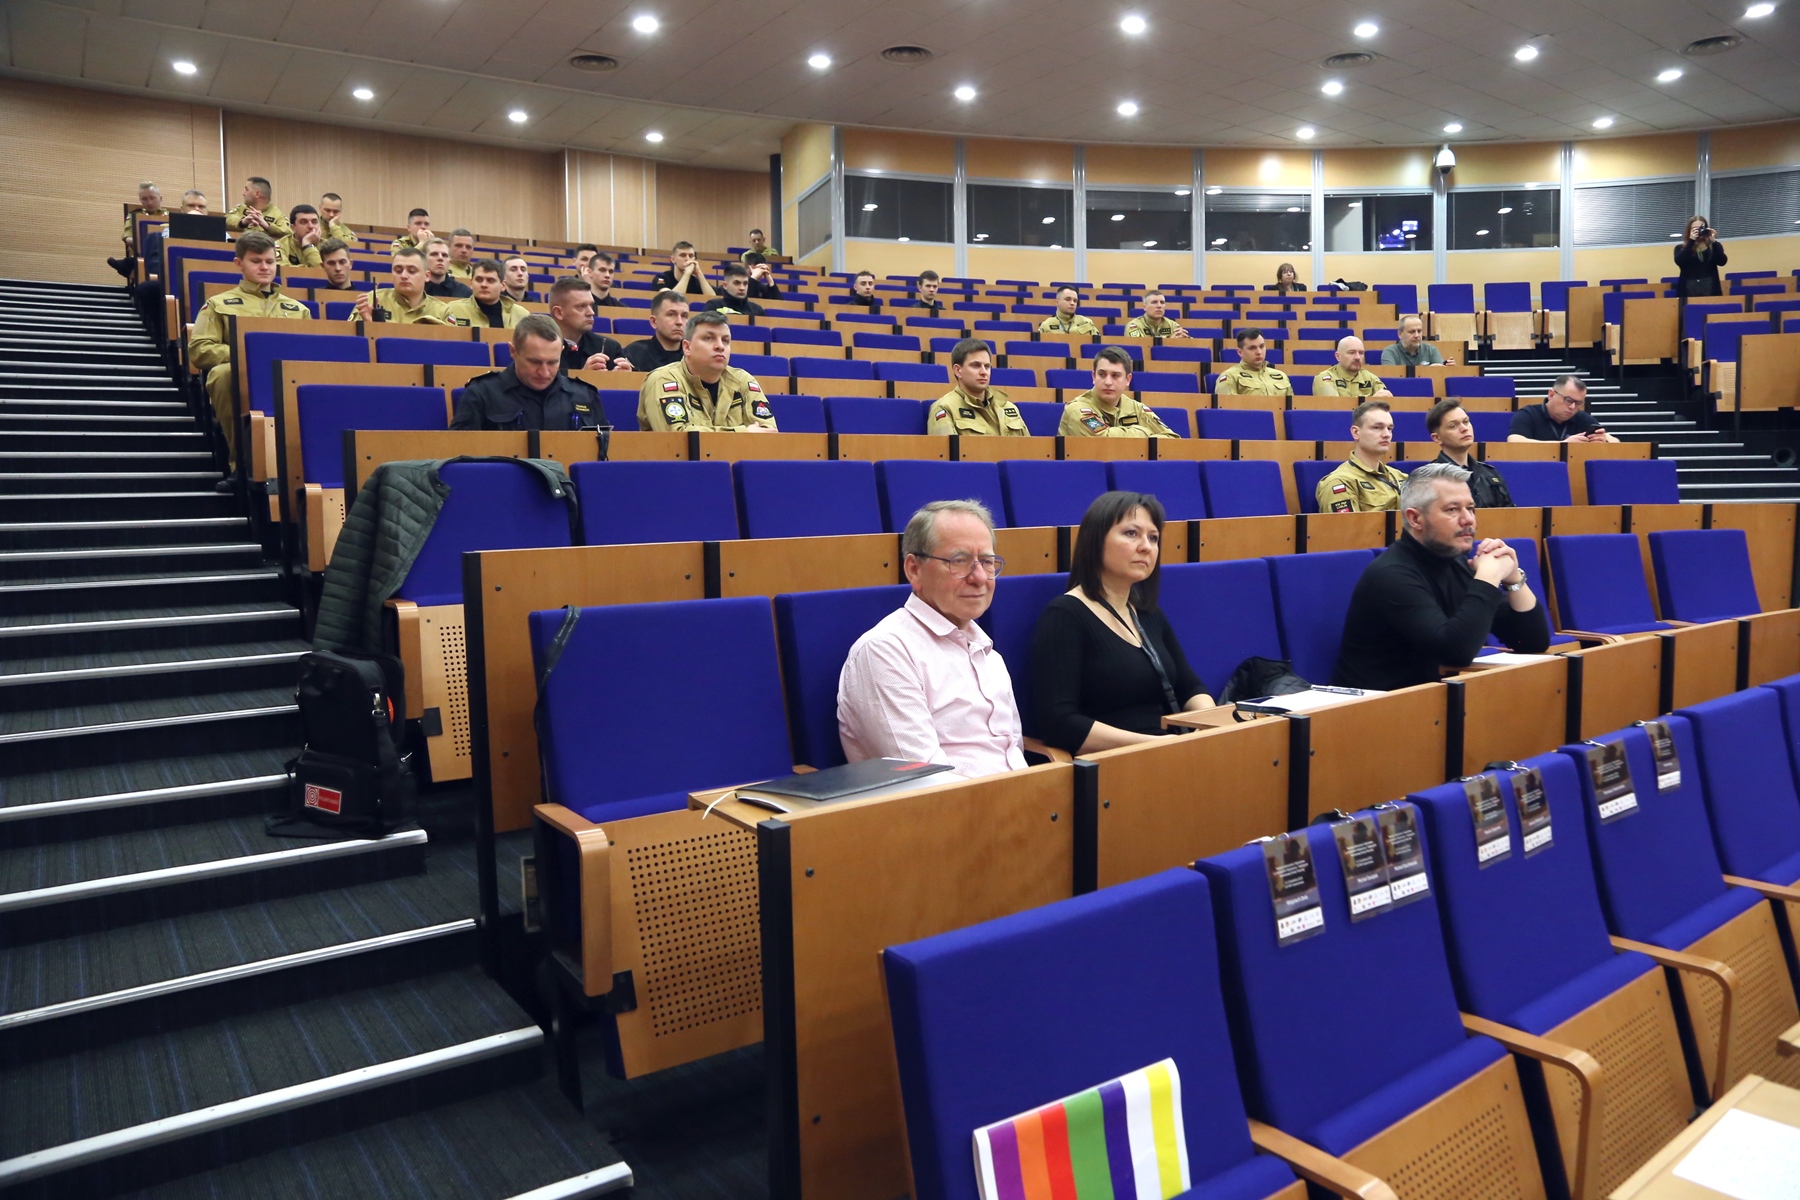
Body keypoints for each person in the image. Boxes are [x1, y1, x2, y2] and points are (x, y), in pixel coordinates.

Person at [837, 500, 1025, 777]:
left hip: (1025, 794)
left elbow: (1013, 752)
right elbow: (925, 777)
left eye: (986, 562)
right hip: (953, 802)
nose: (979, 578)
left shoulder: (988, 653)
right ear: (914, 569)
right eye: (959, 561)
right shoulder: (886, 651)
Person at [1333, 463, 1550, 690]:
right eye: (1452, 510)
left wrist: (1513, 579)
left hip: (1427, 697)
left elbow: (1532, 641)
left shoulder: (1456, 562)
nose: (1468, 520)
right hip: (1376, 704)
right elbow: (1456, 652)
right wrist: (1487, 578)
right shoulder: (1391, 575)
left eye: (1471, 508)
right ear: (1415, 519)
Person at [1028, 492, 1213, 753]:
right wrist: (1158, 745)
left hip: (1170, 750)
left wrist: (1210, 727)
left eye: (1153, 538)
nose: (1146, 547)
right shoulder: (1065, 615)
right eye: (1131, 533)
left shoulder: (1148, 613)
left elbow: (1190, 687)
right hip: (1115, 759)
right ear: (1096, 540)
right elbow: (1059, 723)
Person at [187, 231, 310, 471]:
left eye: (270, 261)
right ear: (239, 263)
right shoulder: (218, 304)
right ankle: (242, 466)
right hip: (242, 373)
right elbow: (200, 350)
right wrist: (247, 357)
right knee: (222, 374)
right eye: (256, 261)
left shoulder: (299, 310)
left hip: (288, 374)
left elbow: (310, 351)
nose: (265, 267)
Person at [451, 314, 601, 431]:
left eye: (552, 362)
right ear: (513, 351)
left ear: (561, 352)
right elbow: (459, 453)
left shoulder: (585, 395)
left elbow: (602, 454)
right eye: (535, 362)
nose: (544, 372)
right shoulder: (481, 394)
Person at [636, 311, 778, 432]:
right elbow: (677, 437)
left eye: (725, 340)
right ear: (687, 347)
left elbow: (768, 432)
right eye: (709, 338)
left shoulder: (743, 380)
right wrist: (742, 433)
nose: (720, 346)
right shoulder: (663, 380)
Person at [1060, 346, 1179, 439]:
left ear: (1128, 380)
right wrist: (1143, 432)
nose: (1108, 382)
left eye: (1115, 375)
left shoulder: (1136, 408)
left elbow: (1172, 438)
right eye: (1102, 374)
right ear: (1093, 377)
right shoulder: (1077, 409)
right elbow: (1104, 441)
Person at [1316, 401, 1406, 513]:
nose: (1387, 434)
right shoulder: (1340, 482)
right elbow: (1349, 524)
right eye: (1377, 427)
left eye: (1389, 428)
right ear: (1356, 432)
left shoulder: (1400, 477)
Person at [928, 339, 1028, 436]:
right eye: (975, 366)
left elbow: (1030, 446)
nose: (984, 372)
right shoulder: (944, 408)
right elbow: (944, 448)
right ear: (958, 371)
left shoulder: (1009, 407)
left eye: (987, 366)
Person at [1426, 400, 1513, 508]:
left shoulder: (1490, 473)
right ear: (1437, 438)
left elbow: (1509, 514)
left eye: (1466, 421)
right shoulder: (1428, 479)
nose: (1464, 428)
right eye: (1453, 426)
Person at [546, 277, 629, 371]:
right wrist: (584, 376)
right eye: (581, 306)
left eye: (591, 305)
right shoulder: (540, 348)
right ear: (559, 313)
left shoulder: (609, 347)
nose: (591, 312)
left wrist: (621, 376)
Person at [351, 247, 451, 324]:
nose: (403, 276)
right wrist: (370, 326)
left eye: (412, 271)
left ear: (427, 276)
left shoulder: (442, 311)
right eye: (398, 270)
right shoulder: (370, 301)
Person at [1508, 375, 1617, 443]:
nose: (1572, 407)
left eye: (1578, 403)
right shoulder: (1528, 414)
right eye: (1568, 400)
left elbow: (1615, 441)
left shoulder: (1582, 418)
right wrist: (1563, 445)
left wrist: (1604, 441)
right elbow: (1514, 441)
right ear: (1551, 395)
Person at [445, 259, 526, 329]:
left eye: (490, 280)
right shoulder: (453, 310)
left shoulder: (521, 314)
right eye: (479, 280)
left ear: (503, 286)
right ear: (471, 283)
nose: (484, 285)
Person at [1213, 327, 1294, 396]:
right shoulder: (1230, 376)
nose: (1259, 352)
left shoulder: (1281, 376)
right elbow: (1228, 407)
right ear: (1240, 352)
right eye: (1252, 348)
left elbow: (1292, 405)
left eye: (1261, 346)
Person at [623, 291, 690, 372]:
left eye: (684, 316)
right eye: (671, 314)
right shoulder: (635, 353)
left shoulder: (695, 355)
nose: (679, 322)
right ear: (654, 321)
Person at [110, 181, 166, 277]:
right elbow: (128, 238)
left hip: (166, 253)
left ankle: (128, 264)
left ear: (160, 198)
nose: (149, 202)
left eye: (152, 198)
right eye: (144, 199)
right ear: (140, 200)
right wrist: (145, 244)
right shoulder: (134, 215)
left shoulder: (170, 217)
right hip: (142, 252)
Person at [1315, 336, 1394, 399]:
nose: (1357, 357)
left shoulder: (1370, 377)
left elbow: (1386, 399)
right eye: (1352, 353)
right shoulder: (1325, 378)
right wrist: (1372, 400)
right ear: (1338, 356)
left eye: (1361, 353)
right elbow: (1335, 406)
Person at [1675, 216, 1728, 298]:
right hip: (1688, 290)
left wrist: (1713, 241)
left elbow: (1722, 262)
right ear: (1689, 230)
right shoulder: (1681, 248)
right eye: (1694, 229)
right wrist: (1691, 241)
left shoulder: (1714, 246)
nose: (1698, 231)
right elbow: (1679, 261)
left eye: (1701, 228)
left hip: (1711, 289)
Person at [1381, 314, 1454, 367]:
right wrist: (1428, 370)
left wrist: (1447, 367)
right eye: (1412, 332)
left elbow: (1440, 373)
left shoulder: (1431, 350)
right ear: (1400, 334)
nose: (1417, 335)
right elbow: (1391, 376)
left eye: (1419, 331)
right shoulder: (1390, 352)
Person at [652, 240, 716, 297]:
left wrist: (699, 274)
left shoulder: (696, 282)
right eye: (683, 255)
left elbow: (712, 300)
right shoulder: (661, 278)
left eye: (691, 256)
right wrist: (687, 274)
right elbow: (672, 300)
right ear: (673, 259)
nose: (687, 259)